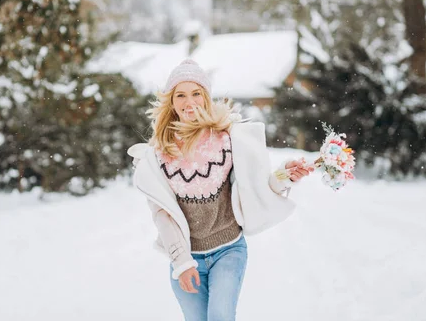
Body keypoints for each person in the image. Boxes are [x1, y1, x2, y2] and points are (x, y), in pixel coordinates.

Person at [128, 59, 313, 321]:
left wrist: (286, 175)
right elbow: (162, 214)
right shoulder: (158, 154)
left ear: (206, 98)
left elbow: (256, 185)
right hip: (187, 257)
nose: (188, 101)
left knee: (220, 317)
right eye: (180, 94)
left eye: (196, 93)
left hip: (228, 250)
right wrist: (182, 263)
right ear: (171, 101)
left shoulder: (228, 139)